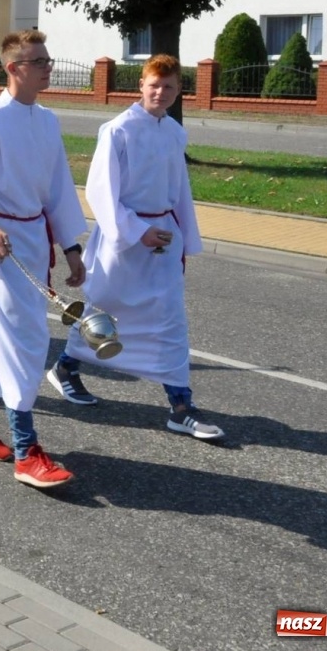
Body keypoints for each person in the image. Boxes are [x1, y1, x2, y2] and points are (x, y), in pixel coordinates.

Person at [48, 54, 222, 440]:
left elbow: (180, 192)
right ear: (140, 85)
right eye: (154, 85)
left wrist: (183, 243)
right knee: (105, 315)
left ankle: (180, 406)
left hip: (163, 238)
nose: (161, 92)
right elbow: (100, 191)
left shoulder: (174, 133)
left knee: (170, 321)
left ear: (179, 92)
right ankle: (65, 367)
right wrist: (136, 230)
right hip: (123, 240)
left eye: (170, 87)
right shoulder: (118, 130)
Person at [0, 29, 88, 490]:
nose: (48, 67)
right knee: (23, 339)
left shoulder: (47, 120)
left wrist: (71, 246)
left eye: (48, 60)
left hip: (33, 236)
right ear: (14, 69)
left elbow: (58, 188)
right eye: (40, 62)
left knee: (2, 336)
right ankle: (26, 450)